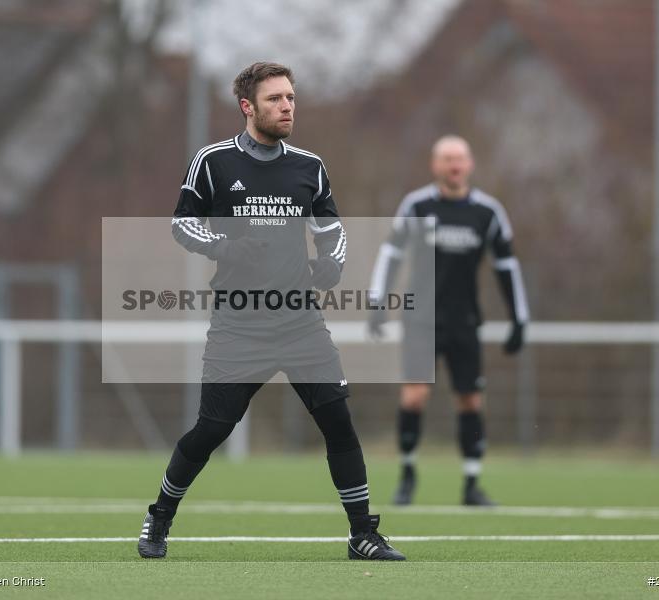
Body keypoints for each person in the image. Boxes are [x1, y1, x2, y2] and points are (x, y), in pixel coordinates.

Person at [137, 62, 404, 561]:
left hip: (300, 321)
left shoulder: (310, 167)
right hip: (238, 323)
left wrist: (332, 264)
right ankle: (160, 516)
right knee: (212, 430)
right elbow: (182, 224)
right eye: (275, 99)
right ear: (248, 106)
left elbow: (332, 231)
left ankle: (362, 534)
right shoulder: (213, 162)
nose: (287, 107)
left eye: (291, 98)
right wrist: (225, 248)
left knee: (338, 423)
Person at [368, 135, 529, 506]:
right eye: (447, 159)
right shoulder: (417, 205)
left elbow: (507, 266)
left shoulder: (488, 212)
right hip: (420, 320)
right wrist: (378, 303)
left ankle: (472, 484)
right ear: (435, 164)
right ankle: (407, 477)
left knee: (470, 400)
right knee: (415, 395)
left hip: (465, 321)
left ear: (469, 164)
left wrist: (519, 319)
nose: (454, 165)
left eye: (460, 159)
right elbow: (391, 254)